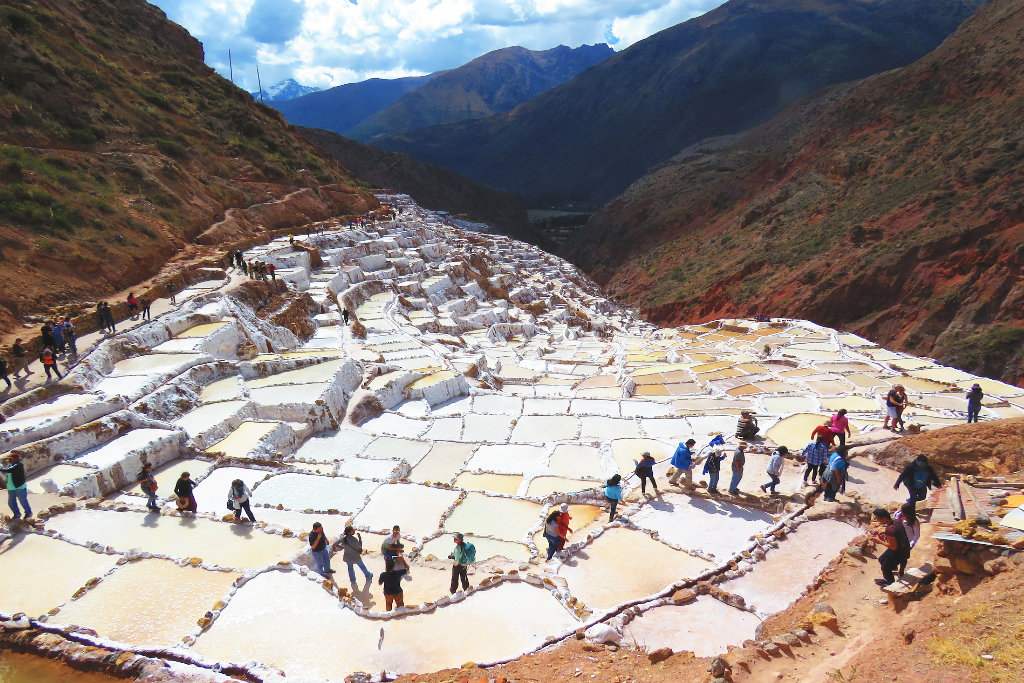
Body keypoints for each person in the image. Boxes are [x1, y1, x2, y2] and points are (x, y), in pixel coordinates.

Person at [869, 508, 910, 586]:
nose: (877, 521)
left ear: (884, 519)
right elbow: (895, 532)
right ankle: (893, 569)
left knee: (885, 567)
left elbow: (893, 547)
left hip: (898, 552)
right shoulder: (896, 522)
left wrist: (878, 541)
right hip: (905, 548)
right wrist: (882, 531)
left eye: (878, 519)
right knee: (882, 559)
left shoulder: (890, 530)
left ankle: (890, 583)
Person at [1, 452, 31, 519]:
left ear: (15, 459)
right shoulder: (11, 465)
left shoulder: (18, 465)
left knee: (22, 501)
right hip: (11, 487)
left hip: (19, 486)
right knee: (11, 503)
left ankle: (28, 513)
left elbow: (9, 470)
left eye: (10, 459)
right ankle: (17, 514)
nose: (9, 460)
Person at [893, 502, 921, 574]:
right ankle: (894, 566)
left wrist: (911, 544)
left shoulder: (914, 521)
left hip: (907, 542)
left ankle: (901, 571)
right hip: (898, 539)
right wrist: (897, 519)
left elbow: (917, 535)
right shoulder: (898, 516)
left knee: (903, 558)